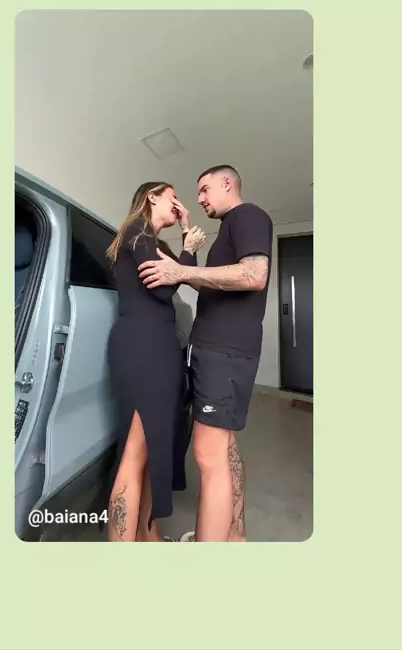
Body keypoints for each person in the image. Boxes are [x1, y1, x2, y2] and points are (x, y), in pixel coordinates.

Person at [138, 165, 273, 542]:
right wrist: (186, 247)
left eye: (204, 189)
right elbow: (208, 285)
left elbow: (254, 274)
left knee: (207, 455)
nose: (198, 199)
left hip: (223, 354)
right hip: (218, 351)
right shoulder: (229, 229)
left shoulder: (247, 215)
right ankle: (234, 535)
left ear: (227, 183)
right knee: (224, 449)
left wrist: (179, 272)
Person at [106, 182, 206, 542]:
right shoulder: (138, 231)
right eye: (172, 196)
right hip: (143, 348)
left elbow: (178, 278)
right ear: (152, 197)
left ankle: (150, 538)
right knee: (135, 456)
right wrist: (189, 250)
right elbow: (164, 288)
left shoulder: (153, 243)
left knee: (151, 453)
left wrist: (184, 241)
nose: (179, 204)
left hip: (156, 347)